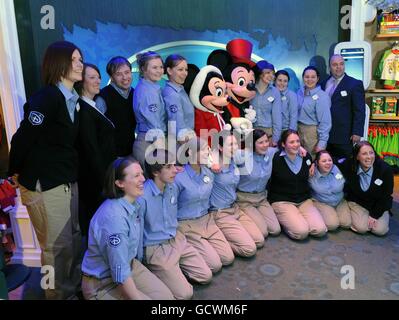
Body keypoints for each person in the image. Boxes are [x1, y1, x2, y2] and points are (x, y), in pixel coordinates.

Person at [8, 41, 83, 299]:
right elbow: (22, 139)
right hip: (45, 184)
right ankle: (57, 296)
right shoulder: (47, 97)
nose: (79, 64)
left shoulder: (73, 99)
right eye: (74, 60)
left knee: (70, 242)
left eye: (80, 59)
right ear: (58, 63)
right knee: (54, 248)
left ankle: (70, 292)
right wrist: (15, 172)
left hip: (65, 182)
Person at [81, 157, 174, 300]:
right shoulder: (114, 219)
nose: (143, 179)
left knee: (167, 298)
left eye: (142, 174)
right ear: (119, 183)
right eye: (136, 176)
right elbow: (119, 271)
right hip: (104, 281)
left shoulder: (134, 204)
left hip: (130, 266)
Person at [140, 150, 212, 300]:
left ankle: (174, 270)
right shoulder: (142, 196)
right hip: (156, 247)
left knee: (206, 275)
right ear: (155, 172)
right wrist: (141, 261)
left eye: (174, 165)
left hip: (176, 238)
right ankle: (164, 273)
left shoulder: (172, 186)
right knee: (185, 294)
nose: (175, 170)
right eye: (168, 167)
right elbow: (138, 231)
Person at [175, 137, 234, 273]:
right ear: (190, 152)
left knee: (228, 258)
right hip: (187, 224)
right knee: (215, 265)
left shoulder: (209, 172)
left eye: (208, 149)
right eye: (203, 150)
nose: (208, 152)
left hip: (207, 220)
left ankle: (205, 249)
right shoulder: (178, 177)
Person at [75, 63, 116, 237]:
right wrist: (105, 183)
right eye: (92, 77)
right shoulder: (83, 110)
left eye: (98, 76)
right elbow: (91, 150)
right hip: (95, 183)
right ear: (81, 81)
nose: (98, 80)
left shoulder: (92, 106)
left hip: (104, 177)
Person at [268, 130, 327, 240]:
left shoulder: (306, 156)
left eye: (297, 141)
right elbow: (260, 149)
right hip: (283, 201)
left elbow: (314, 162)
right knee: (301, 232)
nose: (296, 144)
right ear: (283, 144)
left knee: (320, 230)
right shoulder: (275, 157)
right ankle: (288, 220)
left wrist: (313, 163)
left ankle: (296, 218)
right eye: (291, 142)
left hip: (304, 200)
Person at [209, 132, 261, 257]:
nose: (235, 147)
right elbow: (196, 156)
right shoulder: (212, 166)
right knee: (249, 249)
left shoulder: (234, 160)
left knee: (259, 239)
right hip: (220, 212)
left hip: (235, 208)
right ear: (220, 148)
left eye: (236, 144)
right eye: (230, 144)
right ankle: (220, 245)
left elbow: (256, 149)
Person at [338, 141, 393, 236]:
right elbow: (334, 161)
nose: (369, 157)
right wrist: (314, 164)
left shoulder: (385, 170)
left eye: (371, 153)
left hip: (378, 204)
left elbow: (386, 196)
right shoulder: (350, 165)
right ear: (357, 157)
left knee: (380, 231)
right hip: (358, 202)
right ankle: (350, 209)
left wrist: (375, 215)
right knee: (361, 228)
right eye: (364, 154)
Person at [235, 129, 281, 238]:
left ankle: (255, 218)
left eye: (266, 141)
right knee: (263, 232)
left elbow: (287, 147)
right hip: (244, 199)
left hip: (261, 198)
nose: (265, 145)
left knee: (275, 230)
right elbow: (223, 154)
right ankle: (240, 216)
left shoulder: (270, 152)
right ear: (252, 144)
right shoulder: (242, 155)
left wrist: (301, 149)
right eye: (260, 142)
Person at [321, 54, 365, 161]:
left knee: (344, 166)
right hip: (324, 135)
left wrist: (357, 132)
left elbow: (359, 110)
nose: (338, 67)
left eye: (341, 64)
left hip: (344, 136)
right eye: (335, 65)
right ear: (329, 67)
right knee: (326, 165)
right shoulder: (323, 83)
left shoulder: (354, 84)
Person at [132, 51, 167, 170]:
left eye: (161, 67)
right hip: (150, 143)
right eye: (154, 67)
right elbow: (154, 124)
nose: (159, 71)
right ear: (143, 69)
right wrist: (162, 151)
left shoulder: (151, 88)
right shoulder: (147, 92)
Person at [96, 56, 136, 157]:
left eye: (127, 72)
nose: (125, 77)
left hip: (132, 153)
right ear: (111, 77)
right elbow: (96, 130)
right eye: (118, 74)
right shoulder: (103, 97)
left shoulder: (136, 94)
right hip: (111, 156)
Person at [309, 150, 351, 231]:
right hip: (322, 202)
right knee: (333, 225)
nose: (328, 163)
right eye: (324, 161)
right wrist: (312, 164)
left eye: (330, 160)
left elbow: (347, 159)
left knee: (346, 223)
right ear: (317, 163)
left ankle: (334, 213)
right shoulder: (311, 172)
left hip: (339, 201)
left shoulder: (336, 167)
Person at [297, 66, 331, 159]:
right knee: (299, 159)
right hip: (298, 131)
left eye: (313, 77)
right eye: (307, 77)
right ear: (303, 78)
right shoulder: (299, 92)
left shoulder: (322, 96)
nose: (310, 79)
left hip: (313, 134)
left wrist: (322, 143)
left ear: (318, 78)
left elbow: (325, 122)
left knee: (310, 161)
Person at [162, 54, 196, 143]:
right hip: (182, 143)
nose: (185, 73)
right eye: (180, 69)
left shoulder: (180, 89)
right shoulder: (172, 94)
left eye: (186, 70)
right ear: (169, 70)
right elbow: (177, 125)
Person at [252, 61, 282, 147]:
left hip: (267, 133)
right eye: (268, 73)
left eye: (273, 74)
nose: (271, 76)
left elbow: (277, 118)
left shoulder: (275, 92)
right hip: (251, 130)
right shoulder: (250, 89)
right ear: (260, 73)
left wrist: (275, 138)